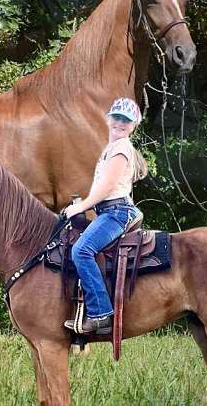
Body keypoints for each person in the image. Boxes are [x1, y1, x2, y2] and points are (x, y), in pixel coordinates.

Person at [63, 97, 148, 334]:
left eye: (127, 120)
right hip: (108, 211)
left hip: (117, 212)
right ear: (108, 118)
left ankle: (100, 314)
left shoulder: (122, 147)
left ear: (134, 126)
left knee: (81, 250)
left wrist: (81, 207)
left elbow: (108, 186)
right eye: (117, 117)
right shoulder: (110, 149)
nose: (120, 123)